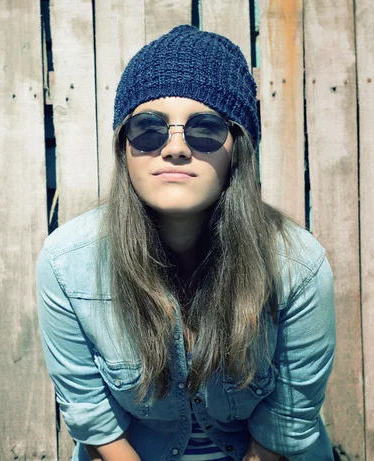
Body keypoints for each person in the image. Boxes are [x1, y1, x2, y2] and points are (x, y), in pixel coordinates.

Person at [36, 25, 336, 461]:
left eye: (205, 128)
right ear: (124, 148)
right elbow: (93, 418)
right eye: (149, 128)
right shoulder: (67, 265)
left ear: (239, 149)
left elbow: (287, 421)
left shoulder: (297, 265)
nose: (175, 148)